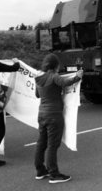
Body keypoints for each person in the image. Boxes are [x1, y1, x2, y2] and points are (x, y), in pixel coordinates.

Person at [34, 53, 83, 184]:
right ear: (56, 66)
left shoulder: (38, 78)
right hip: (54, 115)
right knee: (52, 146)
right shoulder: (54, 77)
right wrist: (78, 77)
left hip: (42, 114)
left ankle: (40, 170)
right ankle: (54, 174)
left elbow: (37, 95)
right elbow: (66, 82)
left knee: (41, 143)